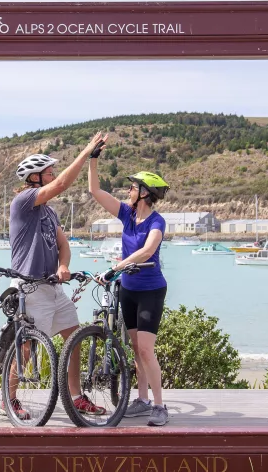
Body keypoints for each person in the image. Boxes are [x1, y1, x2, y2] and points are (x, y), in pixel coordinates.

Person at [3, 132, 108, 420]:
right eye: (48, 170)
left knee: (73, 336)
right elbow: (62, 183)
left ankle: (75, 397)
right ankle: (9, 400)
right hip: (29, 286)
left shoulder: (49, 213)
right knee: (26, 347)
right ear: (34, 177)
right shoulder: (24, 201)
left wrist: (63, 266)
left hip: (51, 286)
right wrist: (87, 151)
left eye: (51, 170)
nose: (52, 174)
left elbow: (63, 244)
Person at [88, 148, 171, 427]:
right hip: (128, 290)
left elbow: (148, 251)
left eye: (133, 187)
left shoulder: (156, 221)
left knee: (146, 349)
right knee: (136, 348)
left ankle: (160, 406)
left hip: (151, 291)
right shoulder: (126, 214)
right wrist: (93, 158)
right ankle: (142, 400)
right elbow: (95, 190)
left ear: (145, 193)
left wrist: (116, 266)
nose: (129, 190)